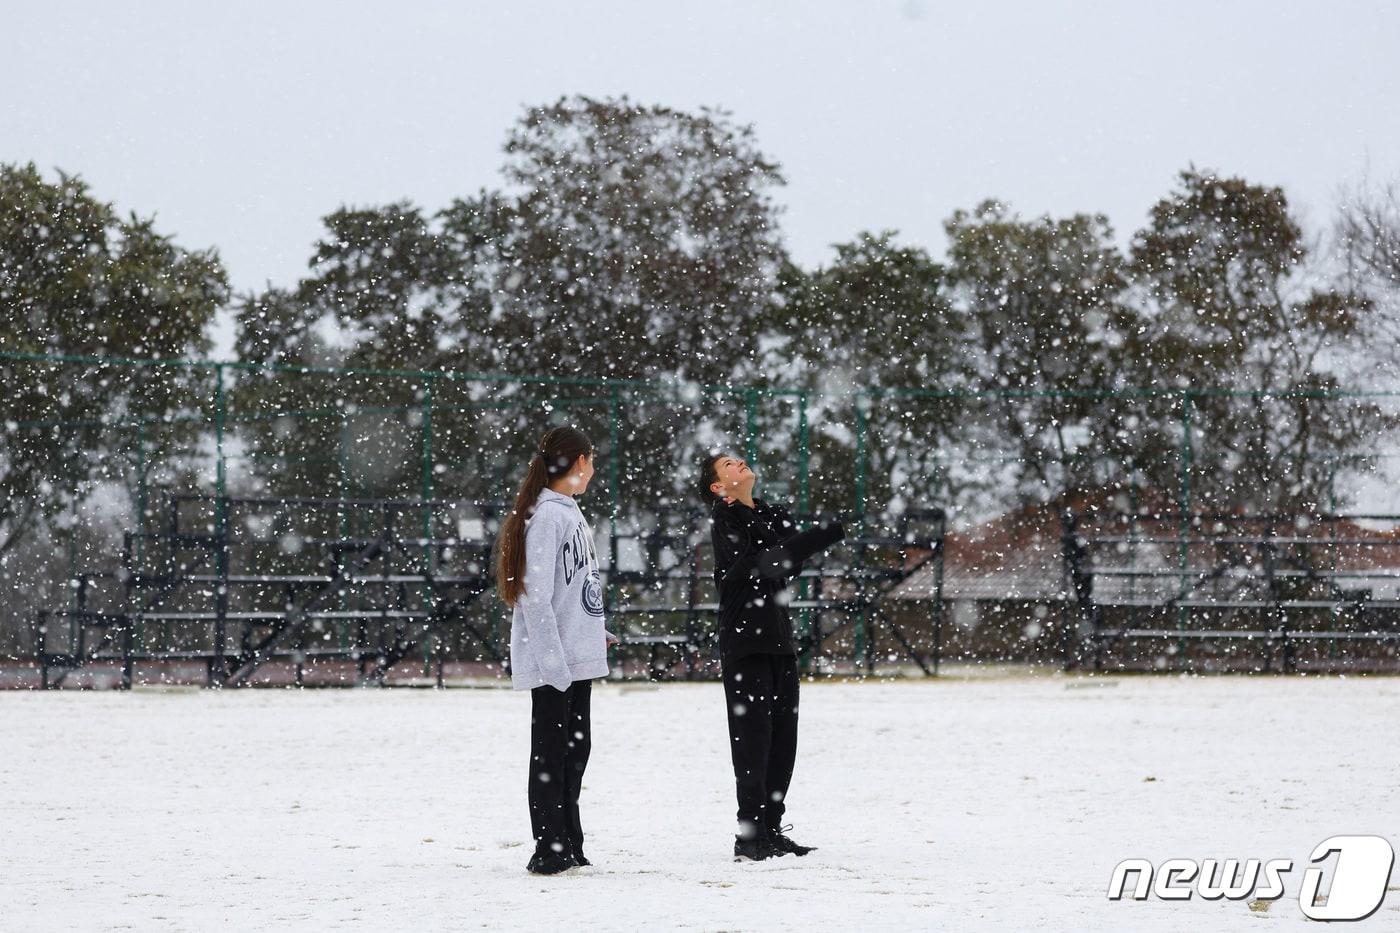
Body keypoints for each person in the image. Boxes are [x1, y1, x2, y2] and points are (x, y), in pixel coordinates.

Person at [700, 452, 845, 861]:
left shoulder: (770, 514)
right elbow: (764, 564)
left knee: (783, 739)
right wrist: (821, 536)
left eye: (739, 459)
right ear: (717, 486)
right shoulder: (723, 520)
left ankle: (771, 828)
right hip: (745, 645)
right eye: (728, 465)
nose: (739, 463)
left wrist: (800, 544)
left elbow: (786, 564)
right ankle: (750, 836)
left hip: (780, 642)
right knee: (752, 741)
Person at [496, 426, 616, 875]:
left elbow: (572, 590)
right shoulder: (547, 516)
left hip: (574, 657)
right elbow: (533, 593)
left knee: (574, 753)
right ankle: (549, 846)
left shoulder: (568, 512)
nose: (594, 468)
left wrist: (593, 631)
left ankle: (570, 841)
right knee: (552, 754)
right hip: (555, 664)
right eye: (592, 459)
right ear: (580, 461)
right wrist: (554, 664)